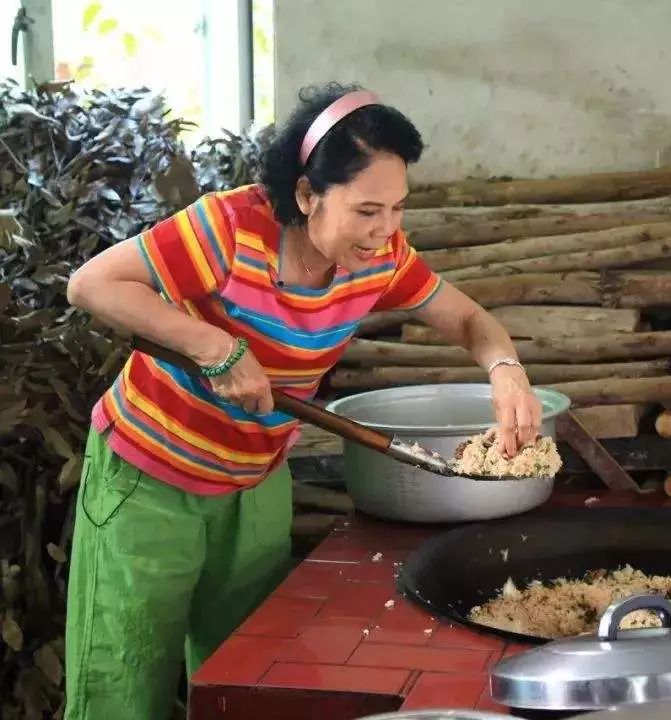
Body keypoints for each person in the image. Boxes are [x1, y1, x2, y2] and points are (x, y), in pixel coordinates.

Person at [62, 81, 544, 719]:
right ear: (307, 194)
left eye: (398, 209)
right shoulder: (229, 229)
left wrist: (505, 368)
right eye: (367, 210)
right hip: (150, 484)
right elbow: (90, 284)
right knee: (123, 685)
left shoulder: (382, 257)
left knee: (244, 678)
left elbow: (468, 321)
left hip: (254, 482)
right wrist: (213, 345)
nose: (385, 231)